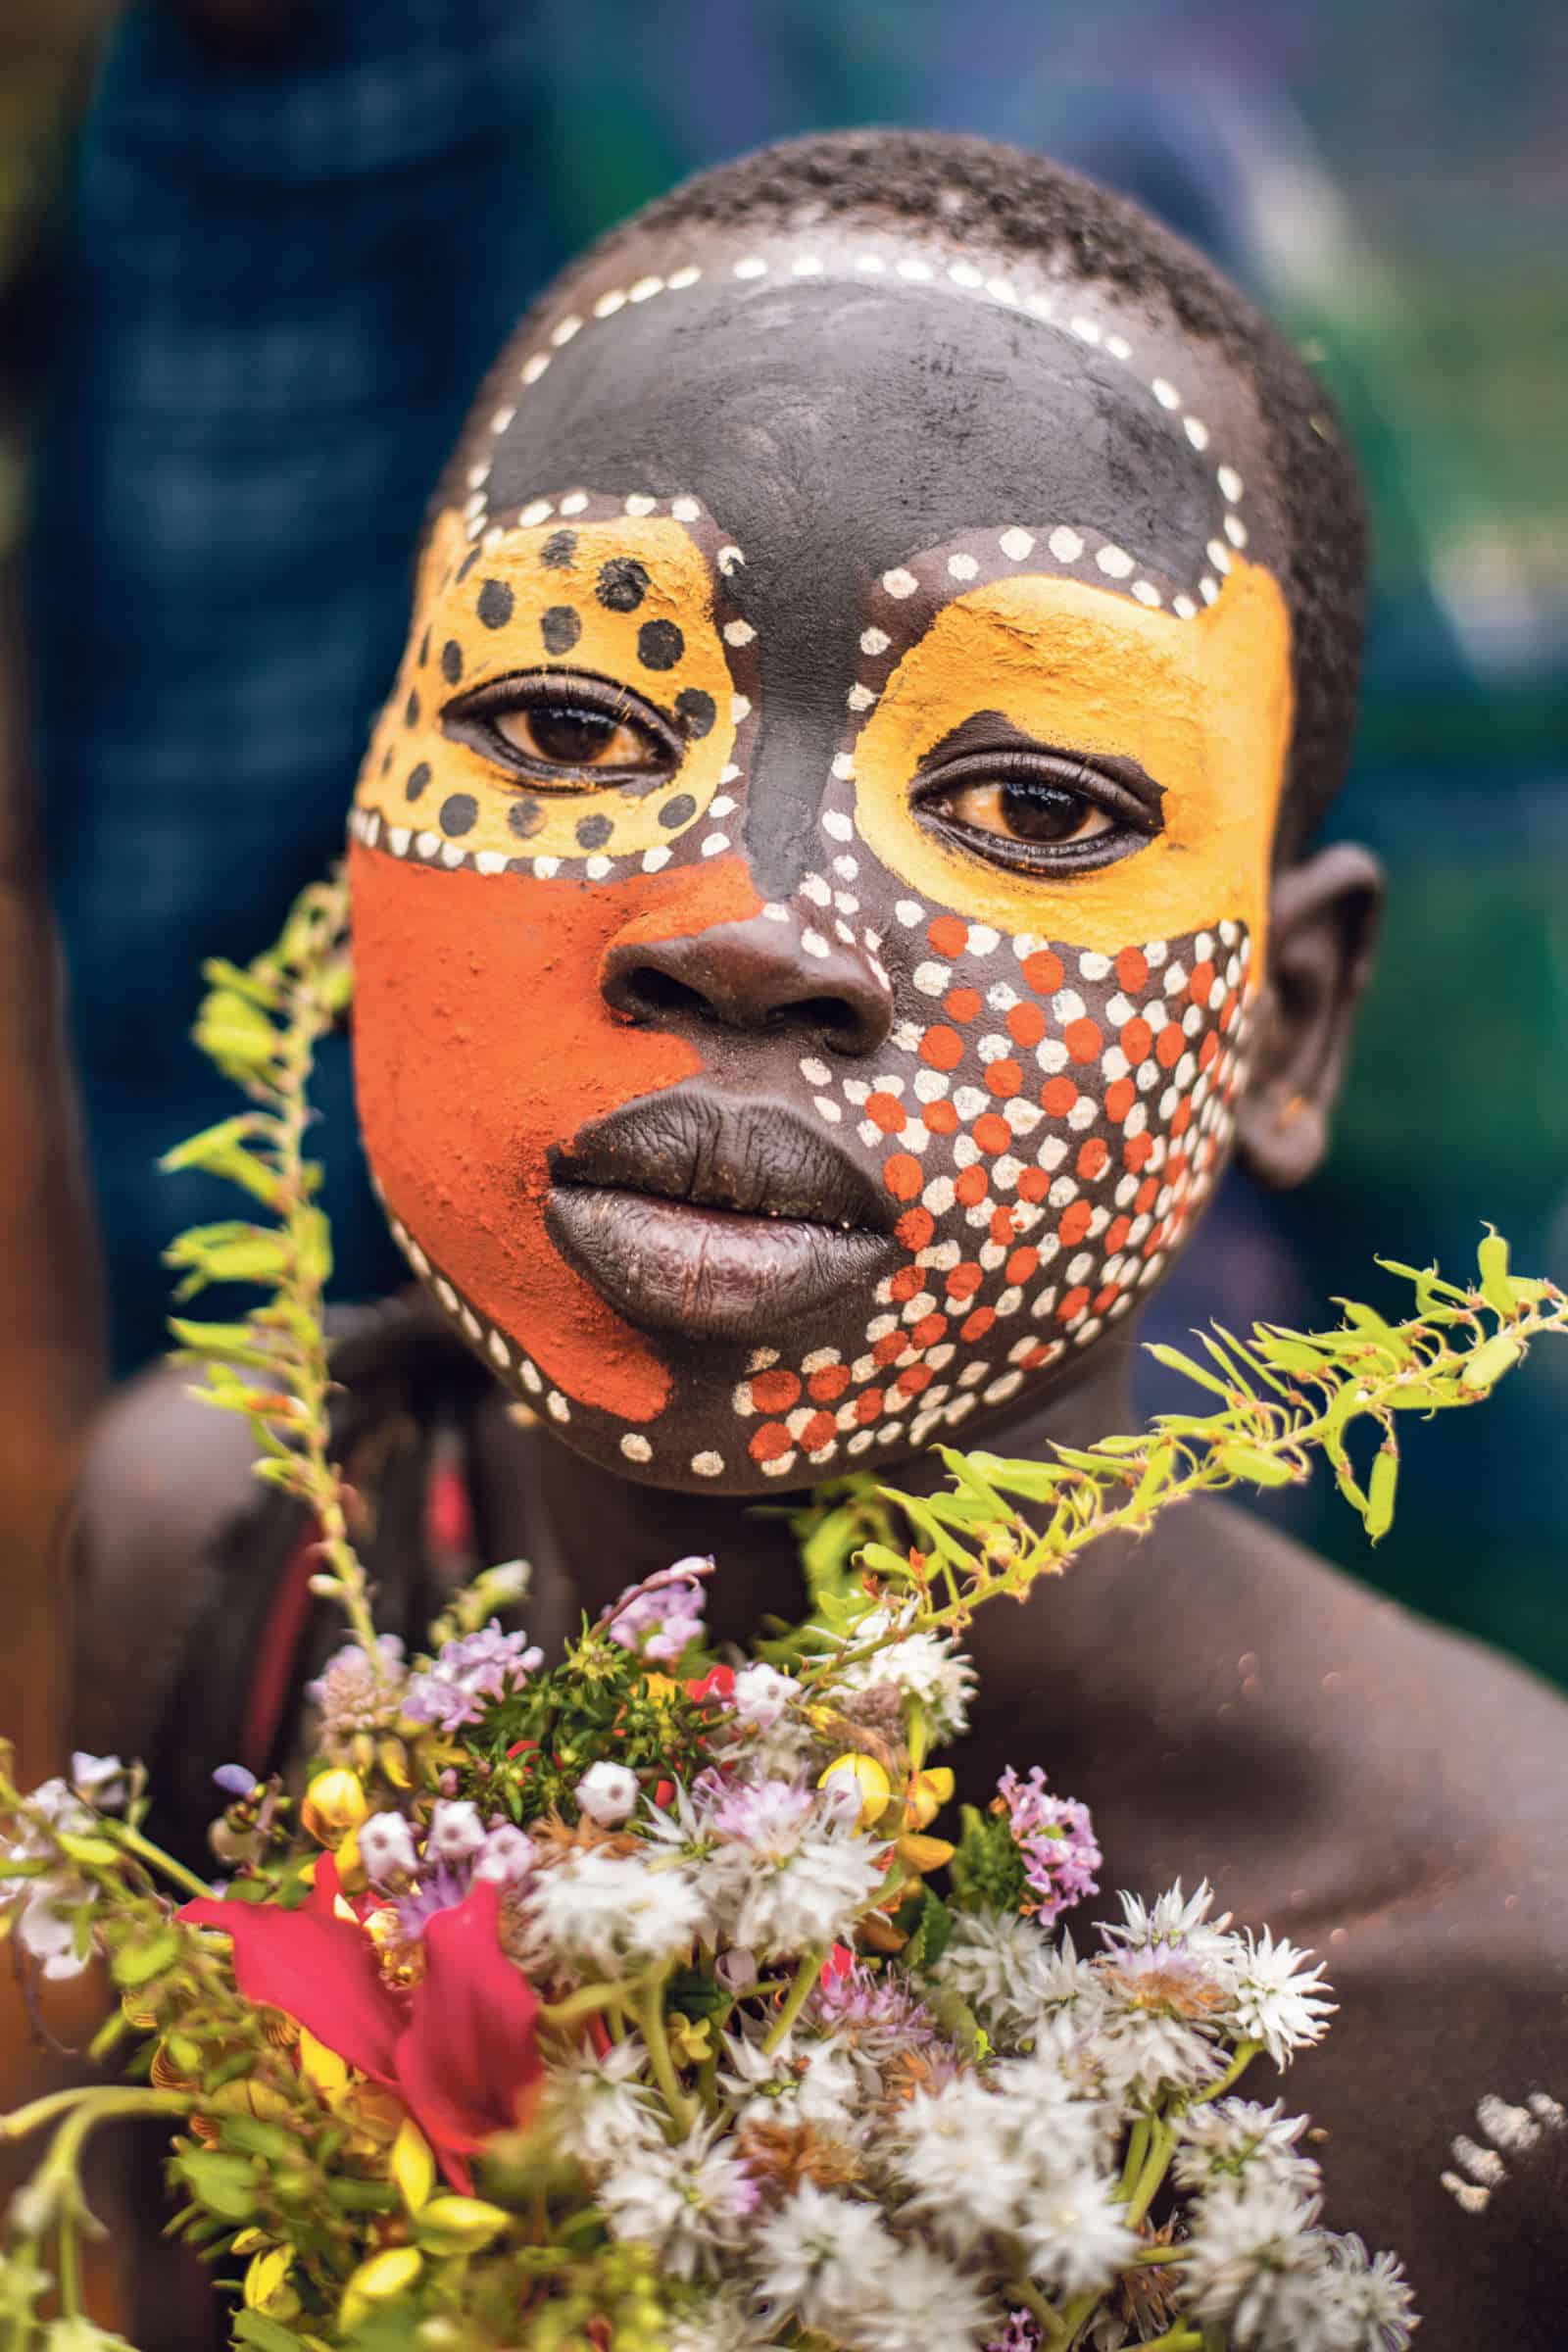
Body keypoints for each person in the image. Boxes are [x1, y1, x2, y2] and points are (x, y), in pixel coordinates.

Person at [72, 131, 1568, 2346]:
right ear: (361, 839)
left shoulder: (1503, 1982)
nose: (755, 928)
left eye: (1036, 803)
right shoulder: (227, 1567)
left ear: (1284, 1024)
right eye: (565, 724)